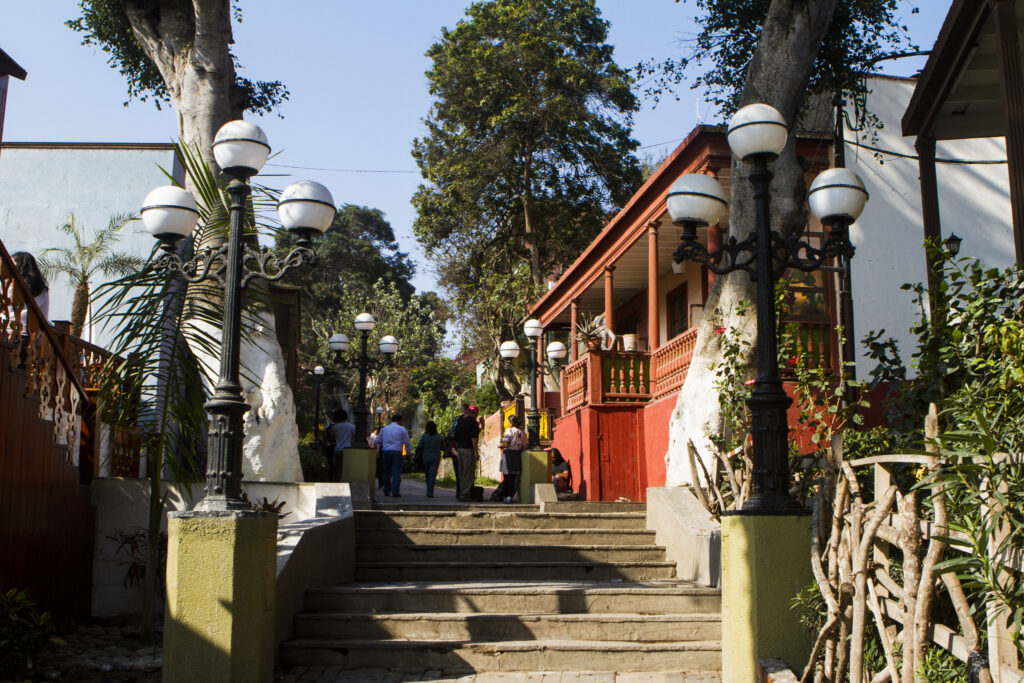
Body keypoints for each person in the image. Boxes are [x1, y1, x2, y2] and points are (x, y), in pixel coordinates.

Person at [10, 252, 49, 367]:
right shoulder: (41, 290)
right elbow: (43, 318)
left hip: (5, 330)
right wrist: (38, 341)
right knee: (18, 375)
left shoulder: (9, 284)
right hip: (26, 336)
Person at [378, 412, 411, 497]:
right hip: (397, 452)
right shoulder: (402, 429)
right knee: (396, 472)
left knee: (386, 472)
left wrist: (385, 444)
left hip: (386, 452)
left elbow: (378, 441)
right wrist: (408, 453)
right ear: (399, 420)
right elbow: (407, 442)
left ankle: (386, 490)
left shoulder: (384, 429)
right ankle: (395, 491)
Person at [452, 404, 480, 502]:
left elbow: (455, 436)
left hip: (460, 449)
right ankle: (465, 495)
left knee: (462, 473)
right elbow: (474, 438)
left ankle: (461, 493)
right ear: (475, 413)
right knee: (469, 473)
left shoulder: (459, 421)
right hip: (468, 449)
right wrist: (476, 451)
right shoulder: (473, 422)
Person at [499, 414, 527, 503]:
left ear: (511, 423)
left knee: (507, 477)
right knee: (514, 477)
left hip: (508, 455)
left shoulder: (509, 431)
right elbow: (524, 446)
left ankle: (506, 495)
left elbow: (506, 443)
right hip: (517, 455)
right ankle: (510, 496)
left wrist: (501, 445)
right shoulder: (522, 432)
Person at [415, 420, 445, 498]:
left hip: (426, 457)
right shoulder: (438, 436)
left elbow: (419, 447)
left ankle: (429, 490)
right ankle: (430, 492)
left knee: (428, 474)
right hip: (435, 457)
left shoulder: (424, 436)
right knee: (432, 475)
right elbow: (443, 447)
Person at [324, 408, 355, 481]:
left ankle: (338, 484)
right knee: (348, 469)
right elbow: (355, 436)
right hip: (348, 450)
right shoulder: (351, 427)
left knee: (338, 469)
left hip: (338, 449)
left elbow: (331, 438)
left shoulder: (334, 427)